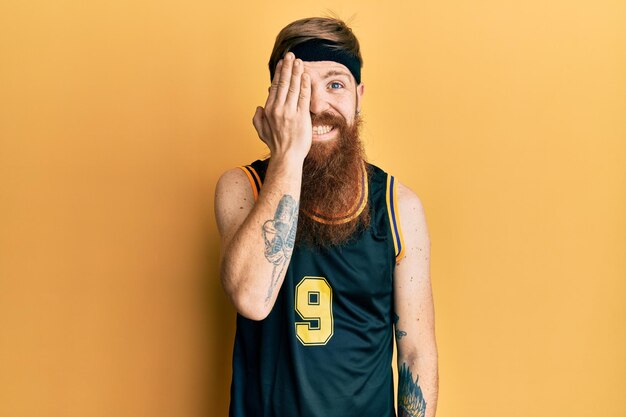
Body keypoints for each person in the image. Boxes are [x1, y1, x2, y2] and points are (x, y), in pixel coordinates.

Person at [215, 16, 438, 417]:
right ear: (275, 100)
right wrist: (287, 155)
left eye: (335, 85)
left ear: (358, 95)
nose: (318, 107)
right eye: (299, 91)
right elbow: (252, 298)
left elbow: (416, 354)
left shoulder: (399, 207)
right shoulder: (241, 188)